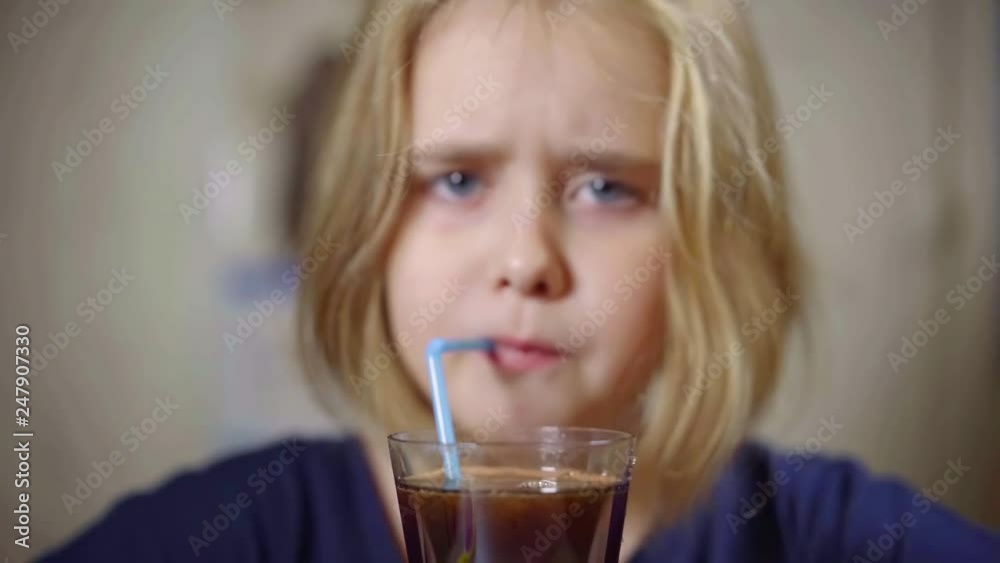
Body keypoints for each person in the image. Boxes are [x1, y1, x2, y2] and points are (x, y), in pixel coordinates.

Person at [41, 0, 999, 561]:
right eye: (455, 179)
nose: (525, 259)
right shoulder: (232, 532)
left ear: (712, 237)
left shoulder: (823, 532)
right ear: (364, 226)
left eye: (606, 187)